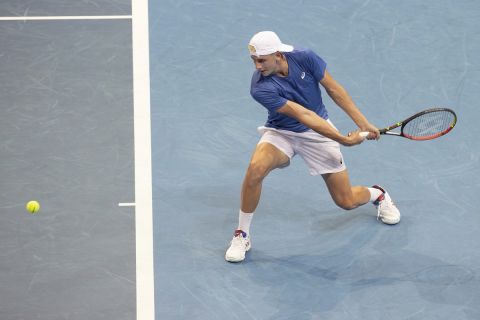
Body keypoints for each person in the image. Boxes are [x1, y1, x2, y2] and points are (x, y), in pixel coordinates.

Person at [225, 31, 400, 263]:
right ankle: (242, 234)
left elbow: (334, 90)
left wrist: (363, 123)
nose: (257, 66)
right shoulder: (260, 87)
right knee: (255, 168)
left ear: (278, 55)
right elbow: (302, 114)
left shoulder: (304, 57)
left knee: (345, 201)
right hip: (282, 132)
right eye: (254, 61)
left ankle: (378, 193)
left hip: (317, 133)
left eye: (262, 60)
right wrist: (344, 139)